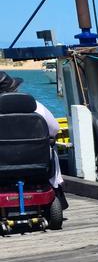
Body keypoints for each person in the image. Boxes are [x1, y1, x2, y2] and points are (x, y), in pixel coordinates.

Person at [0, 71, 67, 207]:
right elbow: (54, 129)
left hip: (3, 164)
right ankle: (55, 190)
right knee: (50, 147)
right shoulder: (36, 106)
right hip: (37, 162)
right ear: (15, 89)